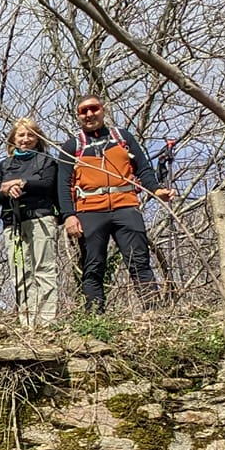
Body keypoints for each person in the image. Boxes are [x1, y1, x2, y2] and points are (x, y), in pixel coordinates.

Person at [62, 95, 174, 312]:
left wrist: (157, 190)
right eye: (83, 111)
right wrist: (69, 215)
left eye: (93, 109)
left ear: (103, 110)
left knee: (139, 261)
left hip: (125, 206)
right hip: (90, 210)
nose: (89, 114)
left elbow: (143, 168)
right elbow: (63, 185)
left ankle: (153, 313)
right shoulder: (72, 146)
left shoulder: (122, 138)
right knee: (93, 266)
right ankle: (94, 316)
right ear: (78, 116)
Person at [0, 119, 68, 327]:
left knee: (44, 268)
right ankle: (27, 321)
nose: (25, 139)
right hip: (13, 222)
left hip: (41, 218)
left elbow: (48, 184)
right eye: (21, 135)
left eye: (30, 135)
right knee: (19, 272)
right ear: (13, 139)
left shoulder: (47, 161)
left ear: (38, 138)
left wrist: (22, 183)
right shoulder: (3, 166)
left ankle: (46, 321)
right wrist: (6, 190)